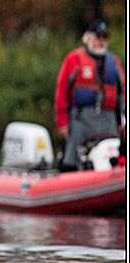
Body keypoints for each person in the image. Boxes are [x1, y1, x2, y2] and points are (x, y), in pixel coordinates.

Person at [54, 20, 126, 171]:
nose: (101, 41)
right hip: (81, 118)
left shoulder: (114, 62)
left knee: (114, 157)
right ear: (88, 38)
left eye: (104, 37)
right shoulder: (74, 60)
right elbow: (62, 93)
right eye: (98, 36)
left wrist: (121, 119)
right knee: (71, 160)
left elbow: (122, 93)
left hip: (107, 120)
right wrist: (62, 122)